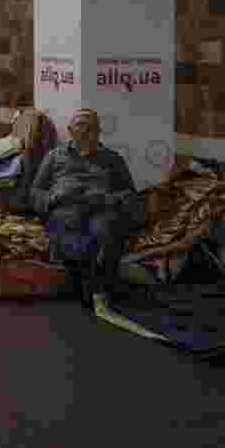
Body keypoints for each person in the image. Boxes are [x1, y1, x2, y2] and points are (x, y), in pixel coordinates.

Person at [30, 109, 143, 307]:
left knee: (105, 230)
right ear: (70, 130)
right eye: (80, 125)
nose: (85, 130)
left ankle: (96, 282)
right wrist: (55, 197)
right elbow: (35, 192)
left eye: (91, 127)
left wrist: (107, 198)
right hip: (65, 211)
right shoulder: (54, 157)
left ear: (99, 131)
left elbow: (130, 195)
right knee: (71, 231)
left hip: (101, 210)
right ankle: (89, 282)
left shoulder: (112, 159)